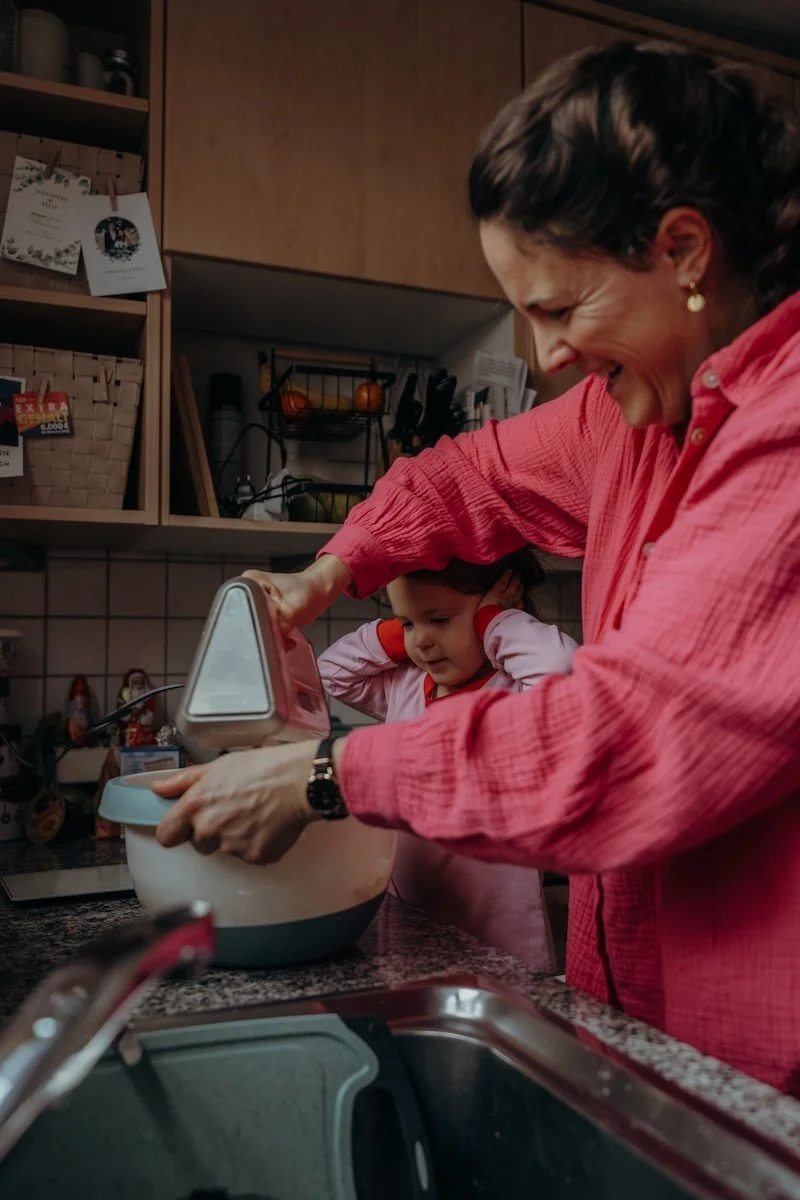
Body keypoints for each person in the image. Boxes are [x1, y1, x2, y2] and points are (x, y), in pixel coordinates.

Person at [154, 40, 800, 1093]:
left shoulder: (785, 433)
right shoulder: (625, 419)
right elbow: (462, 477)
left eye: (559, 309)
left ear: (684, 250)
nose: (545, 357)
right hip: (644, 1041)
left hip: (767, 1084)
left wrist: (329, 775)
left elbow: (619, 744)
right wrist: (332, 570)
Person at [318, 551, 576, 968]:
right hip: (410, 928)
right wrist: (403, 630)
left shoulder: (516, 691)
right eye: (407, 623)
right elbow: (331, 671)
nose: (420, 641)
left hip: (501, 942)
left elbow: (560, 669)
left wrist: (495, 620)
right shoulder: (405, 686)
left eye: (439, 620)